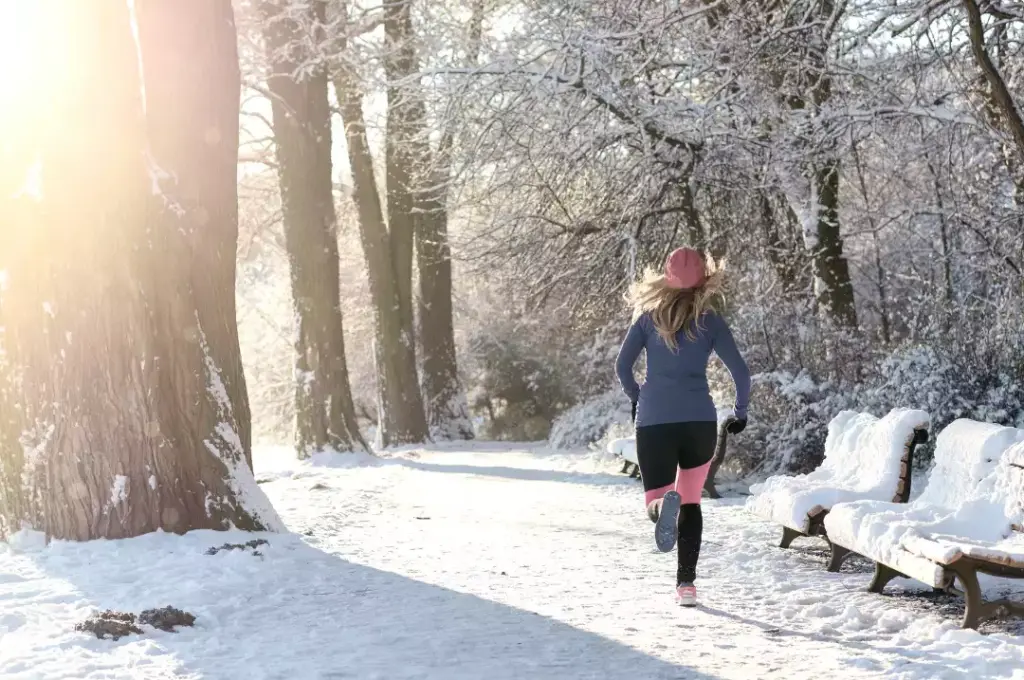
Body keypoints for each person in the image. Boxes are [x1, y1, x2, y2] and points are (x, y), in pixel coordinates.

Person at [615, 247, 750, 607]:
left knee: (656, 499)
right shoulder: (710, 321)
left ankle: (662, 510)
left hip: (655, 421)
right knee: (691, 501)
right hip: (699, 421)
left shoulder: (647, 319)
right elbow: (740, 372)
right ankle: (686, 585)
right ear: (704, 278)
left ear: (666, 276)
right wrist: (740, 411)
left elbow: (622, 366)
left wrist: (637, 396)